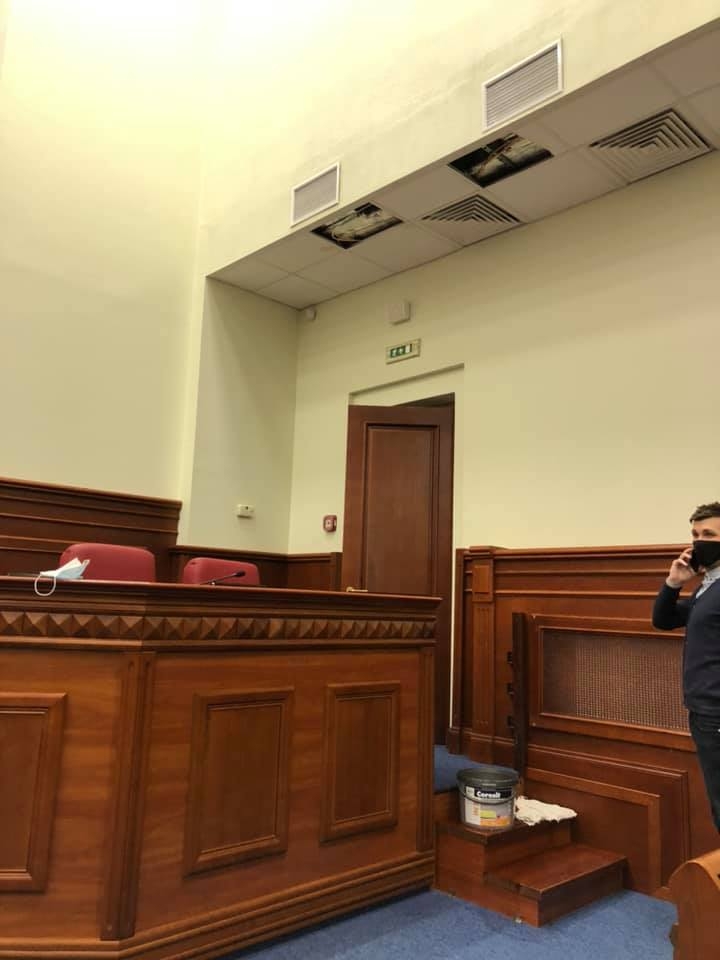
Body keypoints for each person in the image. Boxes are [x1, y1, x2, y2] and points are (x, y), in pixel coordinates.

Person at [653, 501, 720, 832]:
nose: (698, 542)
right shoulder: (708, 586)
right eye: (695, 534)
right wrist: (674, 582)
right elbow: (663, 620)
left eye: (709, 534)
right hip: (703, 711)